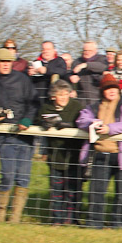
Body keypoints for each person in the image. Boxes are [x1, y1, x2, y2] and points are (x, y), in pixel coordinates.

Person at [0, 47, 40, 223]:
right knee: (7, 175)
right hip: (4, 134)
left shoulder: (23, 79)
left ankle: (15, 217)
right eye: (2, 62)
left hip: (25, 134)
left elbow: (34, 103)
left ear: (13, 62)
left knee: (23, 177)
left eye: (8, 62)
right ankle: (1, 214)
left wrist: (27, 119)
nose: (5, 65)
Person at [76, 73, 122, 228]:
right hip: (100, 154)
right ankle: (94, 223)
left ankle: (119, 224)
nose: (111, 91)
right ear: (102, 91)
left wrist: (109, 128)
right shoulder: (93, 107)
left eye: (114, 88)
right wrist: (93, 123)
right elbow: (81, 120)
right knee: (97, 192)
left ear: (119, 90)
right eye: (107, 88)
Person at [36, 80, 85, 225]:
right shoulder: (46, 108)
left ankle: (72, 218)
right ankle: (57, 219)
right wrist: (43, 124)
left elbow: (83, 121)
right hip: (55, 154)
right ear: (53, 96)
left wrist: (70, 126)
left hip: (73, 154)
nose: (63, 97)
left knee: (73, 188)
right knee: (56, 188)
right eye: (59, 95)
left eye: (66, 94)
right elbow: (38, 120)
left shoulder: (76, 107)